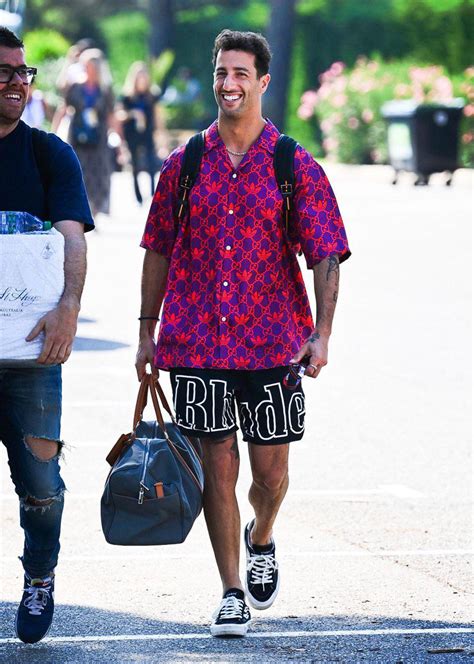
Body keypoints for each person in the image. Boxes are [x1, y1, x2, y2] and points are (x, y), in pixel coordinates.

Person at [135, 29, 350, 638]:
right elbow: (156, 250)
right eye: (221, 72)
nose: (228, 84)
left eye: (240, 73)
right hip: (197, 342)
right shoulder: (186, 165)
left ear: (262, 81)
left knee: (271, 475)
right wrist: (146, 334)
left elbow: (326, 254)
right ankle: (231, 590)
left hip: (274, 343)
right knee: (218, 468)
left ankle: (263, 535)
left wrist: (324, 334)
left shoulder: (293, 165)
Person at [0, 27, 94, 644]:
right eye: (4, 72)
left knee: (41, 484)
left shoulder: (49, 154)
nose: (17, 82)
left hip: (33, 354)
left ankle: (39, 577)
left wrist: (69, 307)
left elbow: (73, 237)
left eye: (24, 72)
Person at [65, 48, 116, 216]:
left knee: (99, 175)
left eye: (93, 67)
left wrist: (117, 138)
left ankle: (94, 211)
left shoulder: (105, 90)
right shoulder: (74, 87)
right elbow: (64, 107)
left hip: (98, 138)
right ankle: (81, 209)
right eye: (86, 66)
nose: (89, 70)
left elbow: (110, 115)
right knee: (79, 172)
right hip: (78, 136)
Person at [117, 61, 161, 205]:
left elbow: (157, 116)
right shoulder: (127, 97)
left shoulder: (152, 96)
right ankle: (138, 196)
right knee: (135, 164)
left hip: (147, 133)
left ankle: (153, 192)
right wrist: (132, 114)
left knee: (151, 161)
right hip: (132, 133)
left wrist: (160, 134)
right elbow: (119, 115)